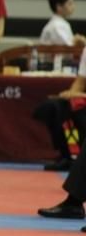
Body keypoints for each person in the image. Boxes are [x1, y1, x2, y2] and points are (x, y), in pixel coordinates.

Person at [33, 25, 86, 172]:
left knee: (80, 114)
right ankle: (66, 156)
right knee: (54, 107)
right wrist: (71, 93)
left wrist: (80, 95)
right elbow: (81, 81)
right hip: (83, 100)